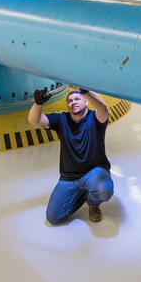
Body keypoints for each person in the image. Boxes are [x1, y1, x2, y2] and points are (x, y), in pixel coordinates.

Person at [28, 87, 114, 224]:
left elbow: (103, 109)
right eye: (70, 101)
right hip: (69, 177)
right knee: (53, 218)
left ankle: (93, 203)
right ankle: (82, 193)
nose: (73, 102)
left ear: (86, 102)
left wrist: (87, 92)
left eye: (77, 99)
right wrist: (38, 104)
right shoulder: (62, 119)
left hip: (93, 172)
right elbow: (34, 120)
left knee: (104, 190)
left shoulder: (95, 118)